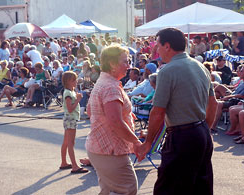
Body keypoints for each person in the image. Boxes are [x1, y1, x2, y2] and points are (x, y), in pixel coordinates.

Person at [136, 28, 217, 194]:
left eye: (157, 45)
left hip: (183, 135)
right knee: (199, 188)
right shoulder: (201, 67)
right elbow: (213, 103)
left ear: (167, 46)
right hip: (201, 132)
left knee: (167, 188)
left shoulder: (167, 71)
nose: (155, 50)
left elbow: (157, 112)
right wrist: (204, 129)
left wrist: (149, 143)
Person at [86, 45, 142, 195]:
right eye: (125, 61)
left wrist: (125, 115)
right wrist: (136, 142)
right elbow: (115, 122)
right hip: (110, 150)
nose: (129, 66)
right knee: (127, 189)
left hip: (100, 148)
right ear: (112, 63)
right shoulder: (111, 87)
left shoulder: (102, 82)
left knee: (109, 191)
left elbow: (90, 110)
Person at [59, 71, 88, 174]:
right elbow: (70, 108)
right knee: (71, 143)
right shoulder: (67, 93)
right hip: (70, 118)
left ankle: (64, 162)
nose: (76, 82)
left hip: (69, 118)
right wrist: (78, 100)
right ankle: (74, 166)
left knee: (66, 141)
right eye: (73, 80)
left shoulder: (70, 91)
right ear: (68, 81)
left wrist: (76, 95)